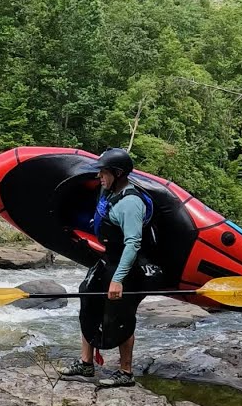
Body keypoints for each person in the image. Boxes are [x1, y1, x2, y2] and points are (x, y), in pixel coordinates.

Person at [61, 148, 166, 388]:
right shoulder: (108, 192)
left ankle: (125, 372)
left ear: (118, 174)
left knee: (121, 315)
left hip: (129, 267)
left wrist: (117, 279)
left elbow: (133, 244)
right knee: (87, 297)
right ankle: (86, 363)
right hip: (110, 260)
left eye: (104, 173)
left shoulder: (131, 203)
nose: (99, 177)